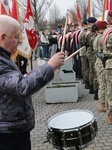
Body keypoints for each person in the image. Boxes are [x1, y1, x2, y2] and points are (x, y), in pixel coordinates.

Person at [0, 15, 65, 150]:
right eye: (16, 36)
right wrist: (49, 66)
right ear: (3, 38)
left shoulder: (4, 57)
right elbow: (21, 87)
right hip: (8, 134)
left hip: (12, 128)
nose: (20, 41)